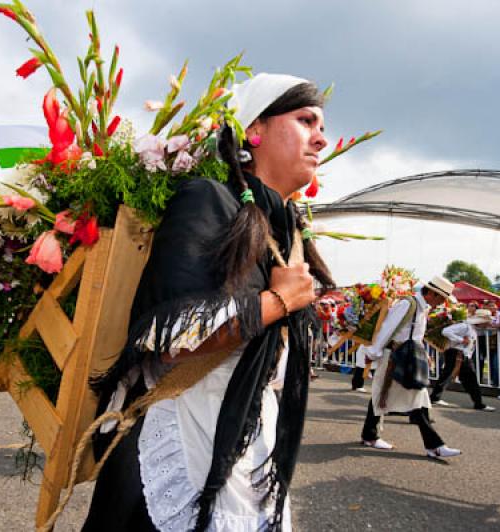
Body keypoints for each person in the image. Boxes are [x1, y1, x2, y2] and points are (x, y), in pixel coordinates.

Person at [83, 74, 333, 531]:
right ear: (254, 129)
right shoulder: (207, 199)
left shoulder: (286, 230)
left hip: (245, 441)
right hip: (182, 435)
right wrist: (279, 301)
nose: (321, 137)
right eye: (305, 120)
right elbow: (171, 338)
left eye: (321, 125)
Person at [358, 276, 461, 458]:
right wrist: (372, 353)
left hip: (406, 357)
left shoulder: (420, 308)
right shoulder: (408, 305)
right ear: (430, 293)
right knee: (411, 399)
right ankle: (434, 445)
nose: (441, 303)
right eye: (440, 299)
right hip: (395, 358)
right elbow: (388, 329)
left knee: (396, 396)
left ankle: (370, 435)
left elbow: (414, 335)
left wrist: (423, 353)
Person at [430, 309, 495, 411]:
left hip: (459, 355)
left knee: (448, 376)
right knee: (470, 379)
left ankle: (434, 397)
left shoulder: (470, 328)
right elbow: (445, 331)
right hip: (458, 354)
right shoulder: (465, 326)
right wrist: (461, 340)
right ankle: (478, 403)